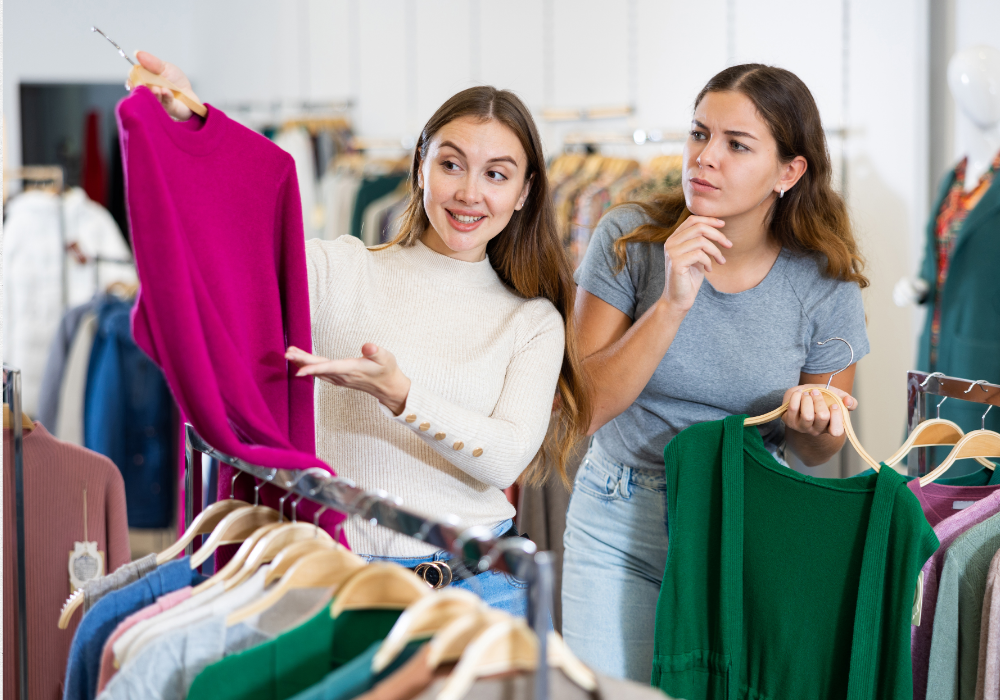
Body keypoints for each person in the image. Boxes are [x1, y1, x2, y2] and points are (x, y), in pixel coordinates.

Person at [133, 52, 590, 616]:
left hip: (476, 593)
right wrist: (190, 129)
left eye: (496, 174)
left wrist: (401, 396)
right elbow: (223, 254)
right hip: (334, 584)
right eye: (452, 164)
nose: (470, 193)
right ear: (421, 164)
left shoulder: (531, 321)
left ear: (523, 193)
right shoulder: (334, 271)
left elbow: (504, 461)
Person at [561, 63, 871, 681]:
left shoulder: (824, 279)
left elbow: (818, 452)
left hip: (747, 520)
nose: (705, 158)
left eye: (736, 145)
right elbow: (583, 406)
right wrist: (673, 301)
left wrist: (813, 420)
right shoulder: (630, 236)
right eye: (699, 134)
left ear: (790, 171)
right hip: (621, 517)